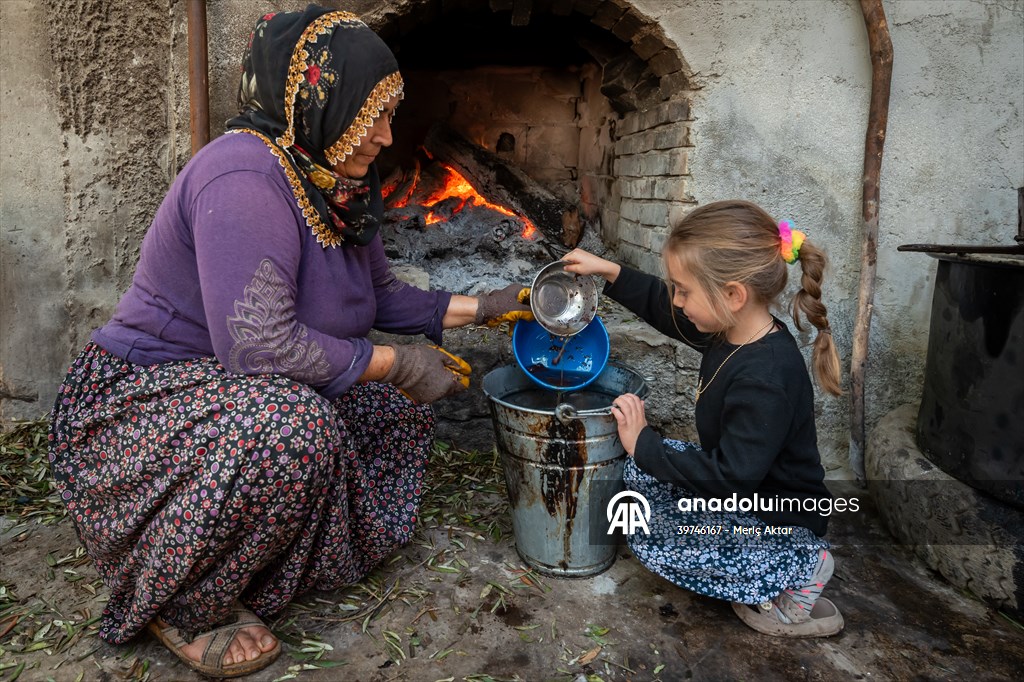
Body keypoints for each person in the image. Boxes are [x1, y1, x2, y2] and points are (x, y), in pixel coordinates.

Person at [47, 6, 530, 678]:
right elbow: (258, 350)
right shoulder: (244, 174)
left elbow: (382, 296)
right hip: (148, 400)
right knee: (293, 430)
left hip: (234, 390)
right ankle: (181, 597)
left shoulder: (334, 182)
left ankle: (254, 562)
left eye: (392, 114)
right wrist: (395, 362)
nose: (387, 135)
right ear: (318, 101)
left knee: (393, 417)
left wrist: (491, 307)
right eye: (373, 114)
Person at [562, 199, 845, 638]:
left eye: (684, 290)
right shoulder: (734, 328)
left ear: (732, 294)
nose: (677, 299)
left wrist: (644, 442)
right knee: (638, 478)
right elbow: (666, 310)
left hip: (778, 519)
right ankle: (763, 563)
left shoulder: (765, 376)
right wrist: (609, 272)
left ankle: (800, 565)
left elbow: (730, 478)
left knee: (650, 536)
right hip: (746, 492)